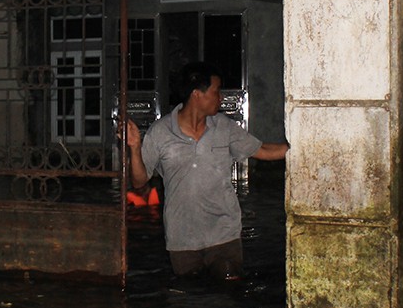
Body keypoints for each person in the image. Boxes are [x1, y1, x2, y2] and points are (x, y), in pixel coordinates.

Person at [122, 62, 289, 279]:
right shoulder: (160, 133)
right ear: (197, 95)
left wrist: (301, 147)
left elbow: (263, 150)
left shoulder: (224, 127)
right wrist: (134, 148)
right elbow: (139, 181)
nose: (220, 98)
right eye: (215, 91)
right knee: (190, 298)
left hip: (224, 234)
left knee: (229, 291)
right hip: (182, 239)